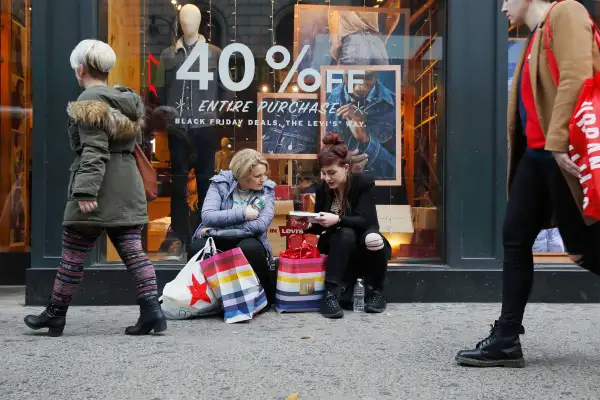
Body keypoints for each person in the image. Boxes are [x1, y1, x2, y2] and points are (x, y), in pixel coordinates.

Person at [456, 0, 600, 368]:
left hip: (560, 154)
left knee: (584, 248)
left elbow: (578, 74)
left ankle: (505, 337)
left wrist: (558, 140)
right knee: (515, 236)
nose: (502, 6)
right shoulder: (533, 37)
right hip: (536, 159)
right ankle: (506, 338)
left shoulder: (566, 12)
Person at [23, 39, 166, 336]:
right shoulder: (124, 100)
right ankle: (153, 312)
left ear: (81, 68)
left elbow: (94, 151)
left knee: (73, 253)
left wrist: (86, 191)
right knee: (134, 253)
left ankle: (55, 314)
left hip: (98, 188)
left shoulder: (89, 100)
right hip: (127, 186)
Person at [299, 134, 391, 319]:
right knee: (346, 233)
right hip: (338, 242)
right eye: (324, 173)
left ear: (346, 168)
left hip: (365, 240)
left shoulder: (362, 184)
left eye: (332, 173)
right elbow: (321, 224)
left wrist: (338, 220)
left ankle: (376, 292)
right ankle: (330, 295)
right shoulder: (323, 188)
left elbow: (367, 220)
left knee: (372, 238)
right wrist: (309, 224)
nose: (327, 178)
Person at [188, 149, 277, 303]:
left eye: (264, 174)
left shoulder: (267, 189)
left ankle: (261, 297)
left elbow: (260, 225)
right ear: (242, 176)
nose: (263, 179)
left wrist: (218, 229)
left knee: (250, 247)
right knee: (197, 247)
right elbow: (208, 216)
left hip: (247, 237)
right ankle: (202, 298)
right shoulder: (220, 183)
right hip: (220, 238)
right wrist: (243, 213)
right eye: (257, 176)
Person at [326, 70, 397, 180]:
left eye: (368, 78)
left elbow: (398, 171)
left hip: (378, 192)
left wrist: (365, 138)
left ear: (377, 72)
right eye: (352, 77)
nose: (359, 88)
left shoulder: (396, 106)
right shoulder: (322, 102)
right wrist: (340, 164)